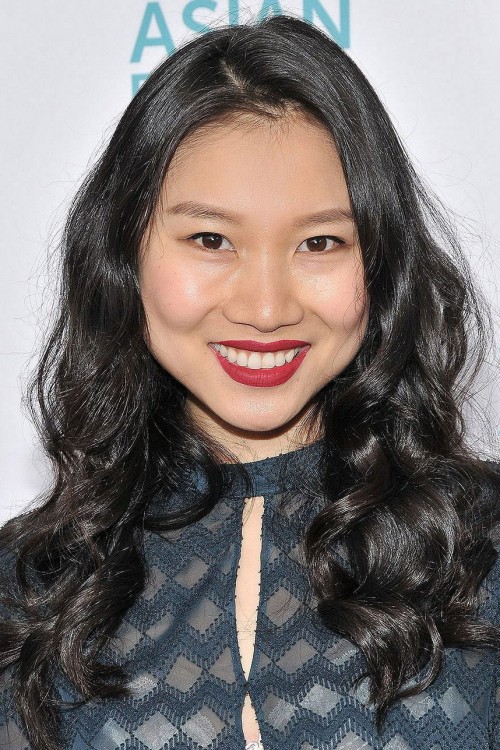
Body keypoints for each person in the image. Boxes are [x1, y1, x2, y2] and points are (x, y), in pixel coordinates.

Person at [0, 14, 499, 750]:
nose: (266, 309)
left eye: (320, 242)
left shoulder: (483, 547)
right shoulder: (28, 590)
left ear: (383, 263)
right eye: (211, 240)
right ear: (124, 254)